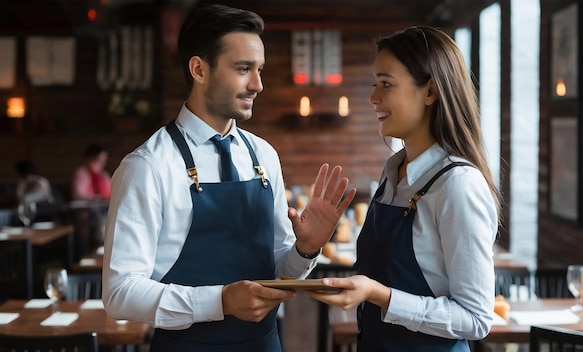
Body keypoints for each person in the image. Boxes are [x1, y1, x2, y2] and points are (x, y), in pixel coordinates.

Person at [101, 3, 356, 351]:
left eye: (260, 69)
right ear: (199, 70)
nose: (258, 84)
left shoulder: (265, 156)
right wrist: (220, 301)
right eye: (243, 69)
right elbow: (120, 293)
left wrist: (305, 249)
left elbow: (281, 275)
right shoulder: (148, 166)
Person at [306, 26, 501, 352]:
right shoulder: (392, 173)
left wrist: (377, 294)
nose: (373, 98)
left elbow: (476, 318)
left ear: (430, 92)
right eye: (374, 84)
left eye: (386, 84)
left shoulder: (458, 186)